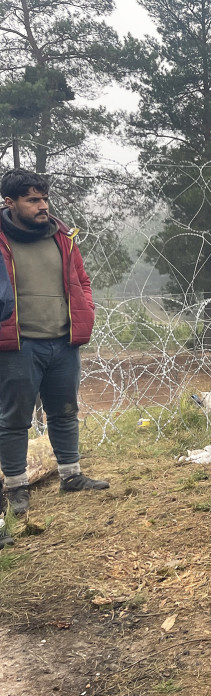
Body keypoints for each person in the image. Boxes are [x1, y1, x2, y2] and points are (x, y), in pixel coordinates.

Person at [0, 169, 108, 517]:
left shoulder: (62, 236)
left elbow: (82, 279)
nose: (42, 205)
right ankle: (16, 488)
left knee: (64, 412)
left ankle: (71, 476)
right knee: (15, 419)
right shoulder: (2, 239)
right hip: (18, 344)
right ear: (10, 202)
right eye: (33, 200)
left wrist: (85, 310)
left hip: (63, 342)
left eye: (44, 198)